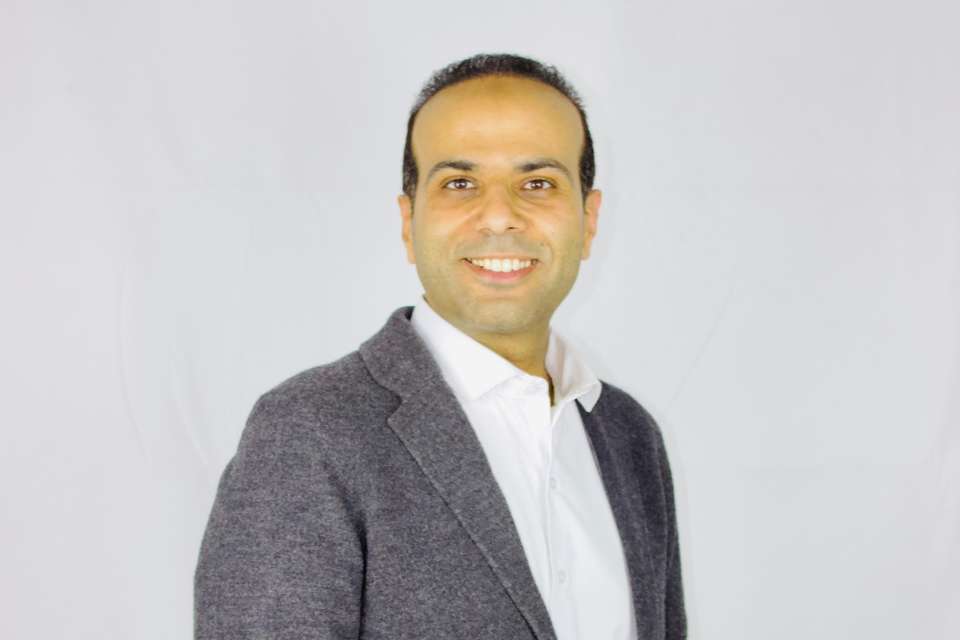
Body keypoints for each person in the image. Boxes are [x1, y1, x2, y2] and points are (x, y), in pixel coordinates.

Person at [194, 52, 687, 640]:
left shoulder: (629, 436)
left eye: (538, 182)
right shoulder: (310, 431)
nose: (500, 215)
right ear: (409, 222)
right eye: (459, 183)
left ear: (589, 218)